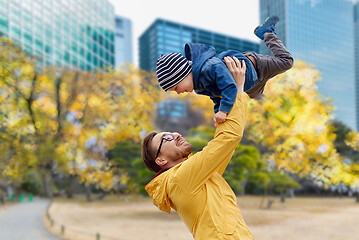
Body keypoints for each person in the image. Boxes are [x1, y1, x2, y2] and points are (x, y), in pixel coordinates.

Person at [142, 57, 254, 239]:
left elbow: (224, 144)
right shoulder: (179, 179)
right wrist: (238, 91)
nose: (176, 134)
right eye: (167, 138)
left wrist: (223, 109)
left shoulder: (198, 176)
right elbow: (228, 139)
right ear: (161, 160)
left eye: (172, 132)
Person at [156, 16, 293, 127]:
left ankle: (266, 32)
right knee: (257, 97)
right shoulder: (199, 87)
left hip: (257, 67)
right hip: (251, 84)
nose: (179, 92)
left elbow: (229, 87)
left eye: (176, 87)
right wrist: (218, 114)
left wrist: (223, 111)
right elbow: (216, 97)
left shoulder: (210, 67)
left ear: (183, 74)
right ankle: (278, 114)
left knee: (287, 62)